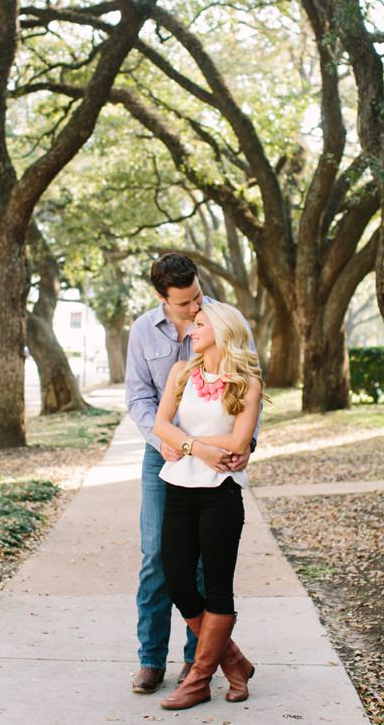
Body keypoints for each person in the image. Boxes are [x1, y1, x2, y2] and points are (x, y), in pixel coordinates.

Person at [125, 254, 256, 694]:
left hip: (218, 458)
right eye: (185, 302)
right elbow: (140, 397)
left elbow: (248, 385)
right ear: (163, 297)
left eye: (198, 294)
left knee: (204, 564)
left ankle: (194, 662)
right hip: (165, 457)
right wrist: (165, 440)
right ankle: (151, 659)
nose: (195, 306)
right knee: (157, 557)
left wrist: (247, 446)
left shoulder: (223, 319)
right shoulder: (144, 331)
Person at [153, 301, 263, 710]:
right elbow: (161, 425)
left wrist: (185, 444)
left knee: (217, 585)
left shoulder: (247, 382)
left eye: (199, 324)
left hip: (221, 493)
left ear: (221, 329)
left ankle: (199, 679)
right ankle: (233, 660)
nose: (191, 330)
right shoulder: (181, 372)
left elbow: (238, 443)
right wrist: (196, 447)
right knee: (178, 578)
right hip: (179, 489)